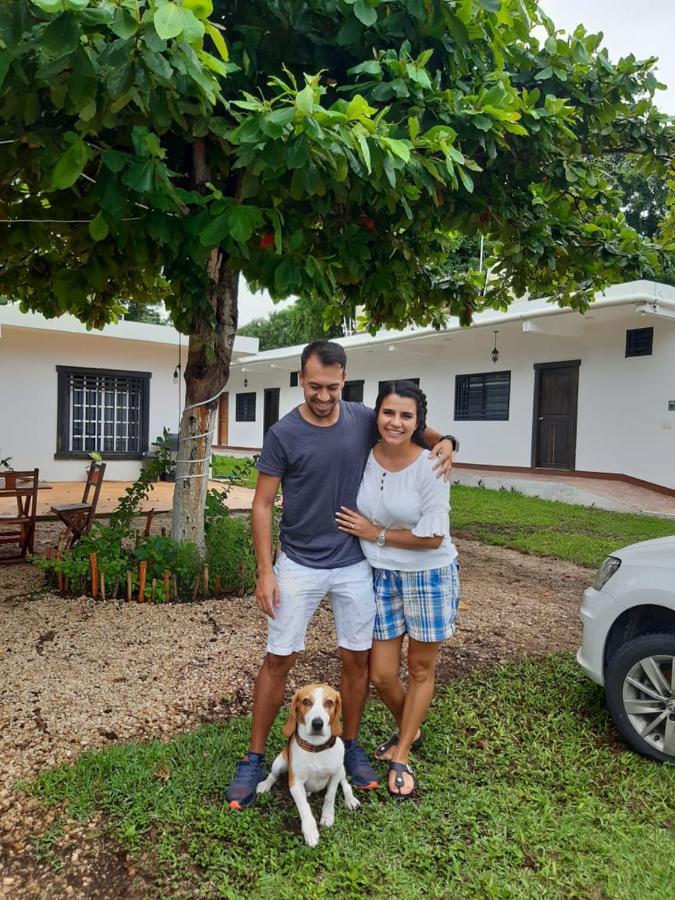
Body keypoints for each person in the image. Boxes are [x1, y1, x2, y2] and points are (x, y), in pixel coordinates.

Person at [225, 342, 458, 810]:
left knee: (358, 661)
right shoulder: (283, 433)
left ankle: (348, 746)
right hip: (298, 565)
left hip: (354, 562)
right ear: (300, 379)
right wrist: (265, 571)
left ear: (344, 382)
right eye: (315, 386)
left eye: (332, 387)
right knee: (278, 659)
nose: (324, 396)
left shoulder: (359, 416)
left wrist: (447, 441)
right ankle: (253, 758)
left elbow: (412, 424)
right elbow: (262, 505)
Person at [335, 381, 459, 800]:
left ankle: (402, 751)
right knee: (382, 674)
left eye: (406, 416)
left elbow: (434, 537)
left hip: (428, 575)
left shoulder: (431, 466)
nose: (396, 422)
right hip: (380, 576)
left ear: (418, 422)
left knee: (421, 669)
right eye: (389, 413)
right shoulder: (366, 455)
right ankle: (413, 724)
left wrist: (376, 533)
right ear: (377, 416)